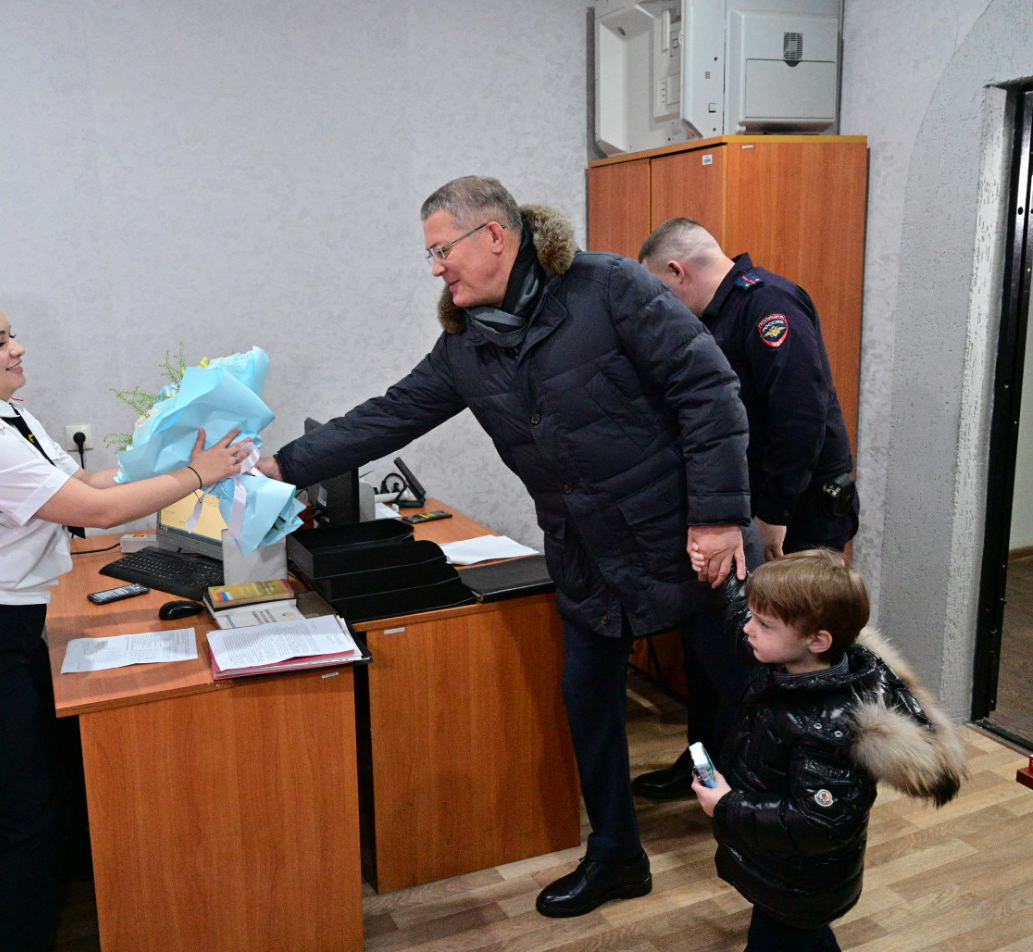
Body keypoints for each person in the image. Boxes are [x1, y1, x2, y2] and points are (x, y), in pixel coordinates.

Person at [256, 176, 753, 918]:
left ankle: (766, 849)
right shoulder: (467, 344)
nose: (435, 269)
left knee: (744, 696)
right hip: (584, 549)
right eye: (430, 256)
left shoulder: (608, 287)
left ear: (495, 235)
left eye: (441, 250)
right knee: (588, 699)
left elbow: (708, 393)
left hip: (681, 532)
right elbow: (389, 415)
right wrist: (279, 466)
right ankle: (617, 856)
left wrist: (717, 517)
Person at [0, 288, 245, 952]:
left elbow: (87, 488)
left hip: (1, 632)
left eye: (12, 334)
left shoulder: (7, 417)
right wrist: (198, 476)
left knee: (61, 780)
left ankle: (91, 906)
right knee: (26, 817)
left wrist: (169, 462)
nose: (18, 348)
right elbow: (100, 514)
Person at [632, 218, 859, 803]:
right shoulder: (715, 316)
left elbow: (800, 416)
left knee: (790, 653)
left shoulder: (768, 306)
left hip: (795, 511)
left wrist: (773, 514)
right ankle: (706, 768)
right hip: (745, 508)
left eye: (660, 291)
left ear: (677, 272)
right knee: (722, 644)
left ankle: (787, 788)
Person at [692, 550, 966, 952]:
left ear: (817, 640)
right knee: (805, 940)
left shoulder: (831, 729)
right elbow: (741, 619)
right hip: (781, 868)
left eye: (764, 623)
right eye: (754, 616)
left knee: (781, 940)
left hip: (800, 883)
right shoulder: (790, 659)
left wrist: (728, 806)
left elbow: (820, 824)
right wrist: (722, 567)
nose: (749, 628)